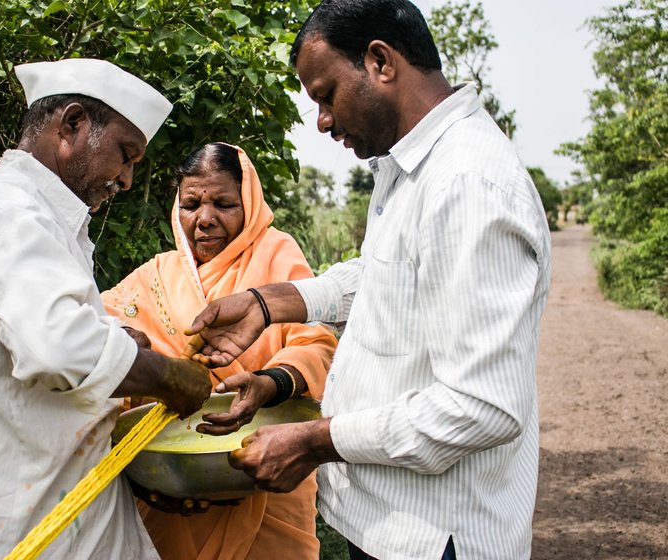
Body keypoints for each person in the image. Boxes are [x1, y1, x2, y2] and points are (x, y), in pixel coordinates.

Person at [182, 2, 552, 559]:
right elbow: (389, 275)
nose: (323, 121)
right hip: (392, 522)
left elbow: (482, 407)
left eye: (326, 95)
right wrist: (270, 302)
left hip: (436, 536)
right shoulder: (412, 171)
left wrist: (314, 440)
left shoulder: (468, 183)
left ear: (380, 61)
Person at [0, 58, 212, 559]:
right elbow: (58, 348)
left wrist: (114, 342)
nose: (127, 179)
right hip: (2, 528)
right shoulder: (6, 209)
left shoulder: (43, 217)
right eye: (125, 154)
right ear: (72, 125)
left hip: (66, 512)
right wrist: (168, 376)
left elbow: (46, 340)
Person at [101, 142, 337, 560]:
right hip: (169, 489)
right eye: (191, 204)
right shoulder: (156, 275)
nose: (205, 220)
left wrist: (270, 382)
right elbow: (98, 333)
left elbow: (314, 343)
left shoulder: (276, 255)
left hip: (268, 477)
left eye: (224, 204)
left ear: (249, 203)